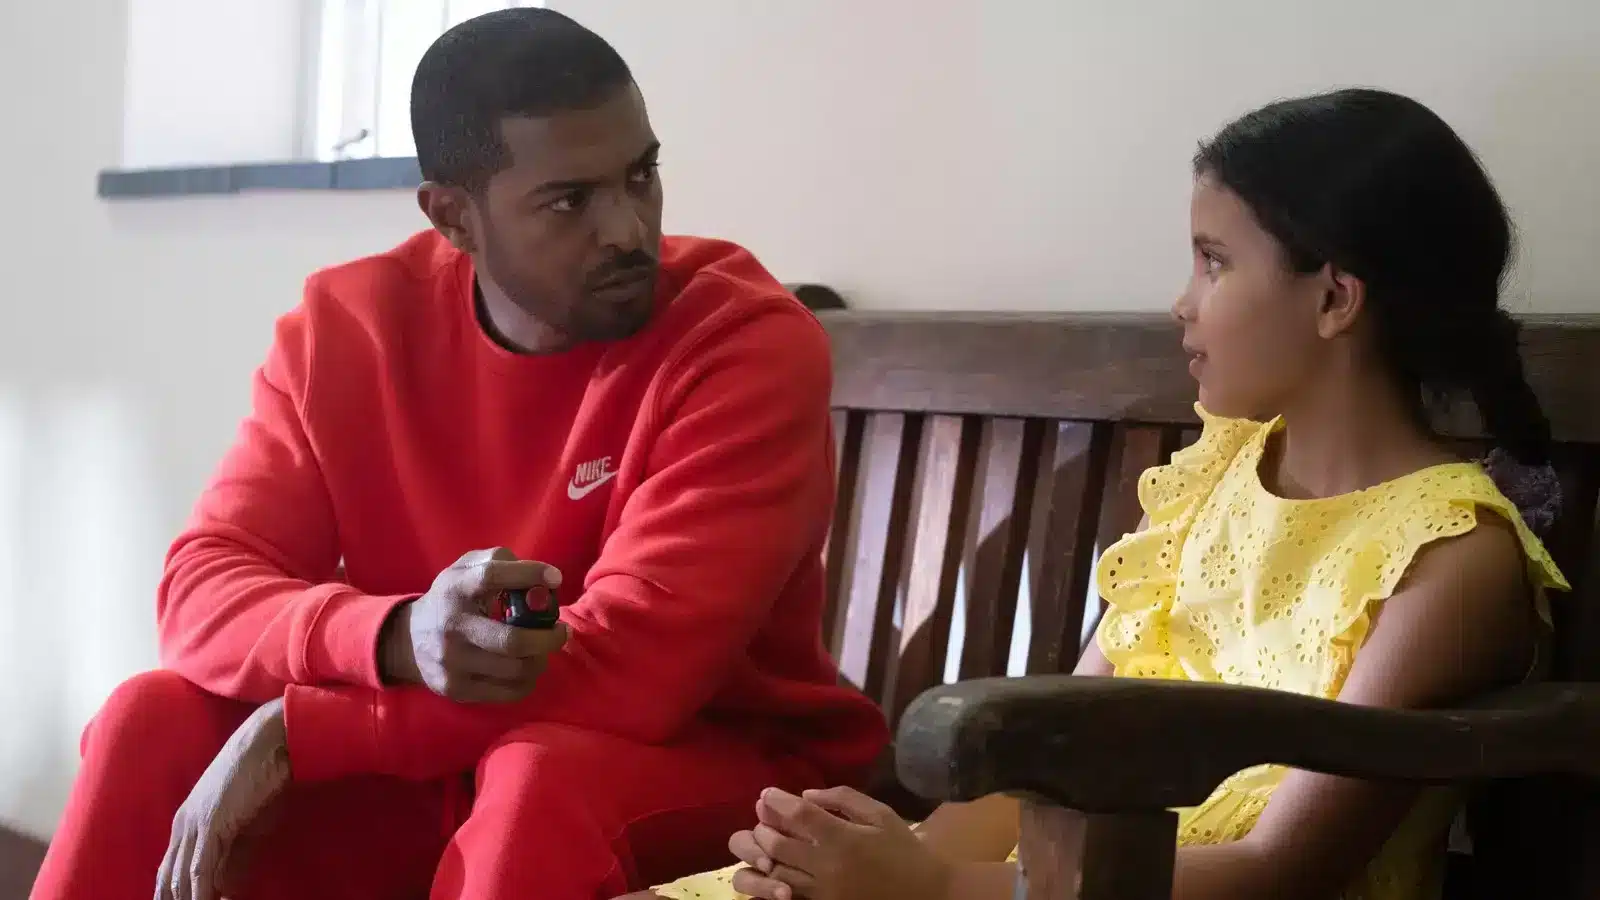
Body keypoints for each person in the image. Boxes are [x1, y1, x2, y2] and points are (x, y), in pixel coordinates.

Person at [30, 8, 889, 900]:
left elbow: (632, 672)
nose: (629, 229)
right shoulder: (348, 333)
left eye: (642, 175)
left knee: (537, 778)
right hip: (447, 752)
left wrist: (302, 730)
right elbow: (202, 589)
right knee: (151, 720)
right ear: (452, 217)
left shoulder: (742, 344)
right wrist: (394, 637)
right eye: (571, 200)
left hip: (720, 767)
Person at [645, 87, 1570, 900]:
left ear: (1334, 300)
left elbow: (1283, 869)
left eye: (1214, 261)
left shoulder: (1453, 556)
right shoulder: (1214, 479)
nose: (1183, 302)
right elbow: (1060, 743)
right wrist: (886, 863)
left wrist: (934, 890)